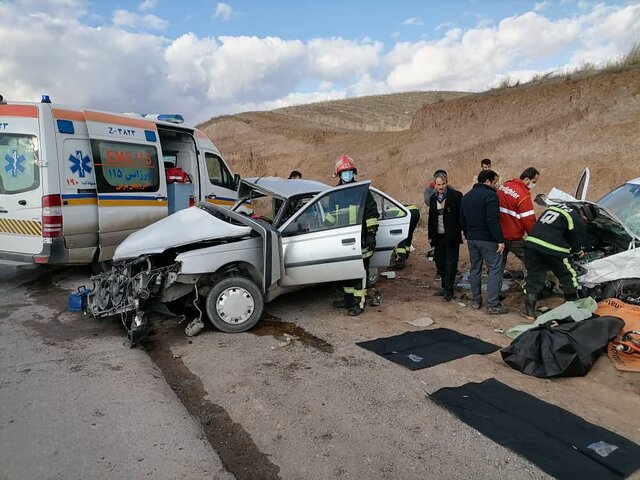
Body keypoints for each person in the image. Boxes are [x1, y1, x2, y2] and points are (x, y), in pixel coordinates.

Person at [523, 203, 598, 318]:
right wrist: (578, 253)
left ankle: (529, 313)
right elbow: (576, 244)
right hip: (553, 248)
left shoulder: (557, 207)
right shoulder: (578, 221)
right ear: (586, 218)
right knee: (569, 275)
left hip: (532, 243)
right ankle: (571, 306)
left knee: (534, 276)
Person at [330, 155, 379, 316]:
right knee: (345, 272)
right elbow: (331, 217)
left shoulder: (362, 192)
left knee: (359, 273)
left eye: (350, 172)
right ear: (339, 174)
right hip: (343, 241)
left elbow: (371, 214)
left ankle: (359, 303)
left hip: (361, 240)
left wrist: (371, 234)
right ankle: (348, 299)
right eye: (345, 172)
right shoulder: (335, 194)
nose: (348, 175)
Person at [460, 169, 508, 314]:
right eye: (495, 182)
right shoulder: (491, 196)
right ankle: (493, 304)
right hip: (487, 239)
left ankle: (476, 300)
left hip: (472, 238)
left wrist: (468, 234)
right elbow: (492, 220)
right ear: (487, 181)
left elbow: (462, 220)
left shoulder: (466, 197)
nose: (496, 185)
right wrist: (500, 240)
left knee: (475, 268)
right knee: (495, 268)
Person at [427, 172, 463, 301]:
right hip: (438, 237)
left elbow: (461, 216)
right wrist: (430, 235)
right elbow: (431, 218)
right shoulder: (433, 199)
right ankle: (444, 288)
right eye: (438, 184)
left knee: (450, 264)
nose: (441, 187)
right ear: (434, 185)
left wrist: (459, 230)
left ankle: (449, 291)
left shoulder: (456, 196)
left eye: (443, 184)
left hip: (451, 237)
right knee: (440, 263)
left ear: (447, 183)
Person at [497, 167, 540, 267]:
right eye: (534, 181)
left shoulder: (505, 186)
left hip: (499, 233)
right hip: (513, 235)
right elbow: (529, 220)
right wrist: (534, 237)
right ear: (526, 179)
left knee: (498, 263)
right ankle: (531, 281)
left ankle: (495, 281)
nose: (534, 184)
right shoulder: (523, 195)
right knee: (529, 258)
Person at [392, 203, 420, 269]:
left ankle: (400, 262)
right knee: (409, 234)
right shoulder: (392, 207)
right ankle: (406, 254)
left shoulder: (389, 211)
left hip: (406, 214)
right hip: (415, 211)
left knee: (400, 237)